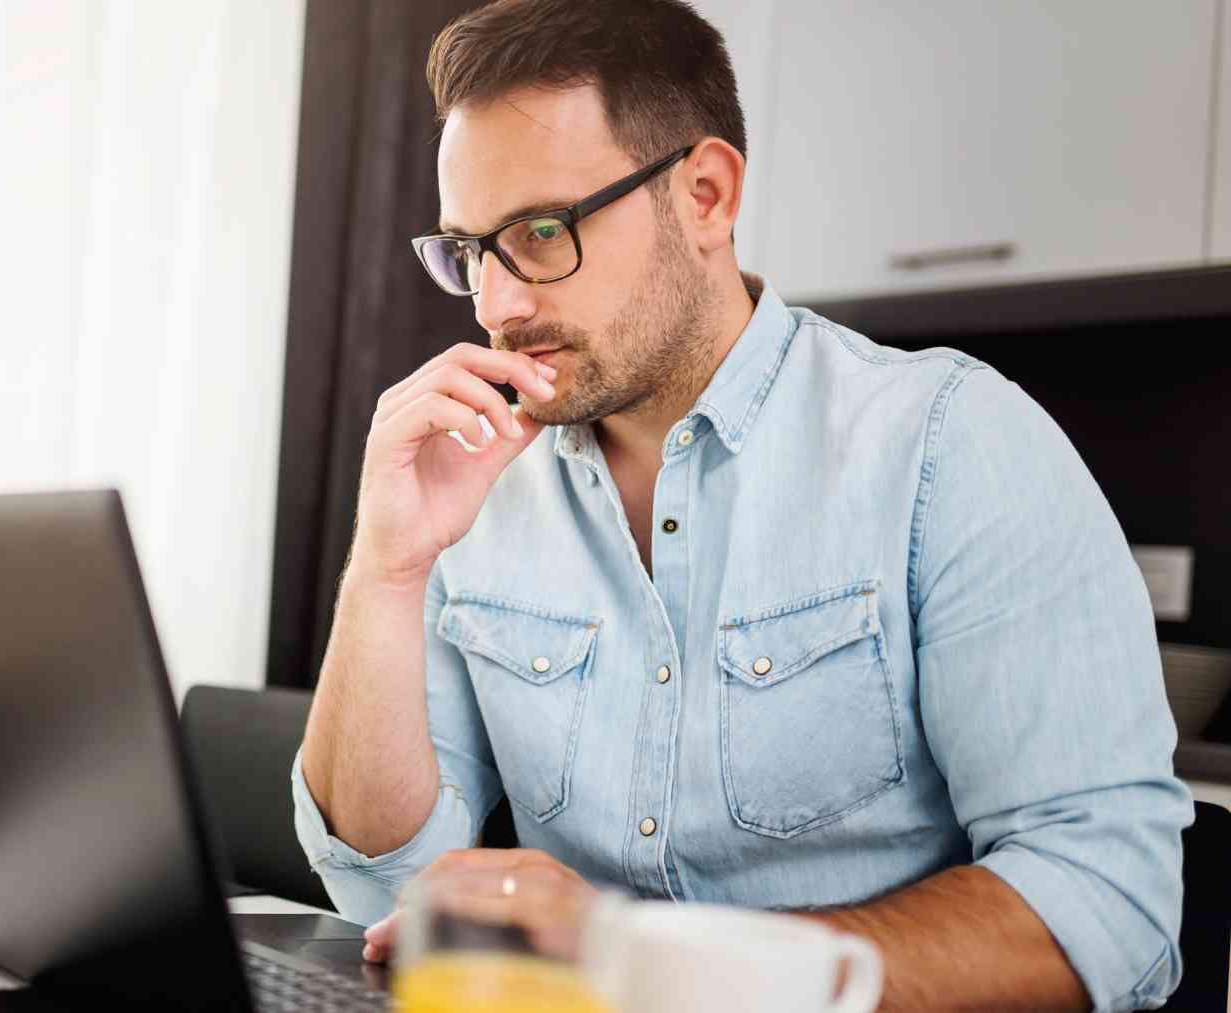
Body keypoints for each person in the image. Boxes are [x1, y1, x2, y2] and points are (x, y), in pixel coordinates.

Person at [290, 1, 1191, 1010]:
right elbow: (377, 885)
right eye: (470, 249)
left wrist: (650, 957)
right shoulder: (480, 482)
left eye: (542, 232)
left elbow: (1111, 905)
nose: (498, 304)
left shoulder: (950, 443)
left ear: (707, 196)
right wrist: (387, 566)